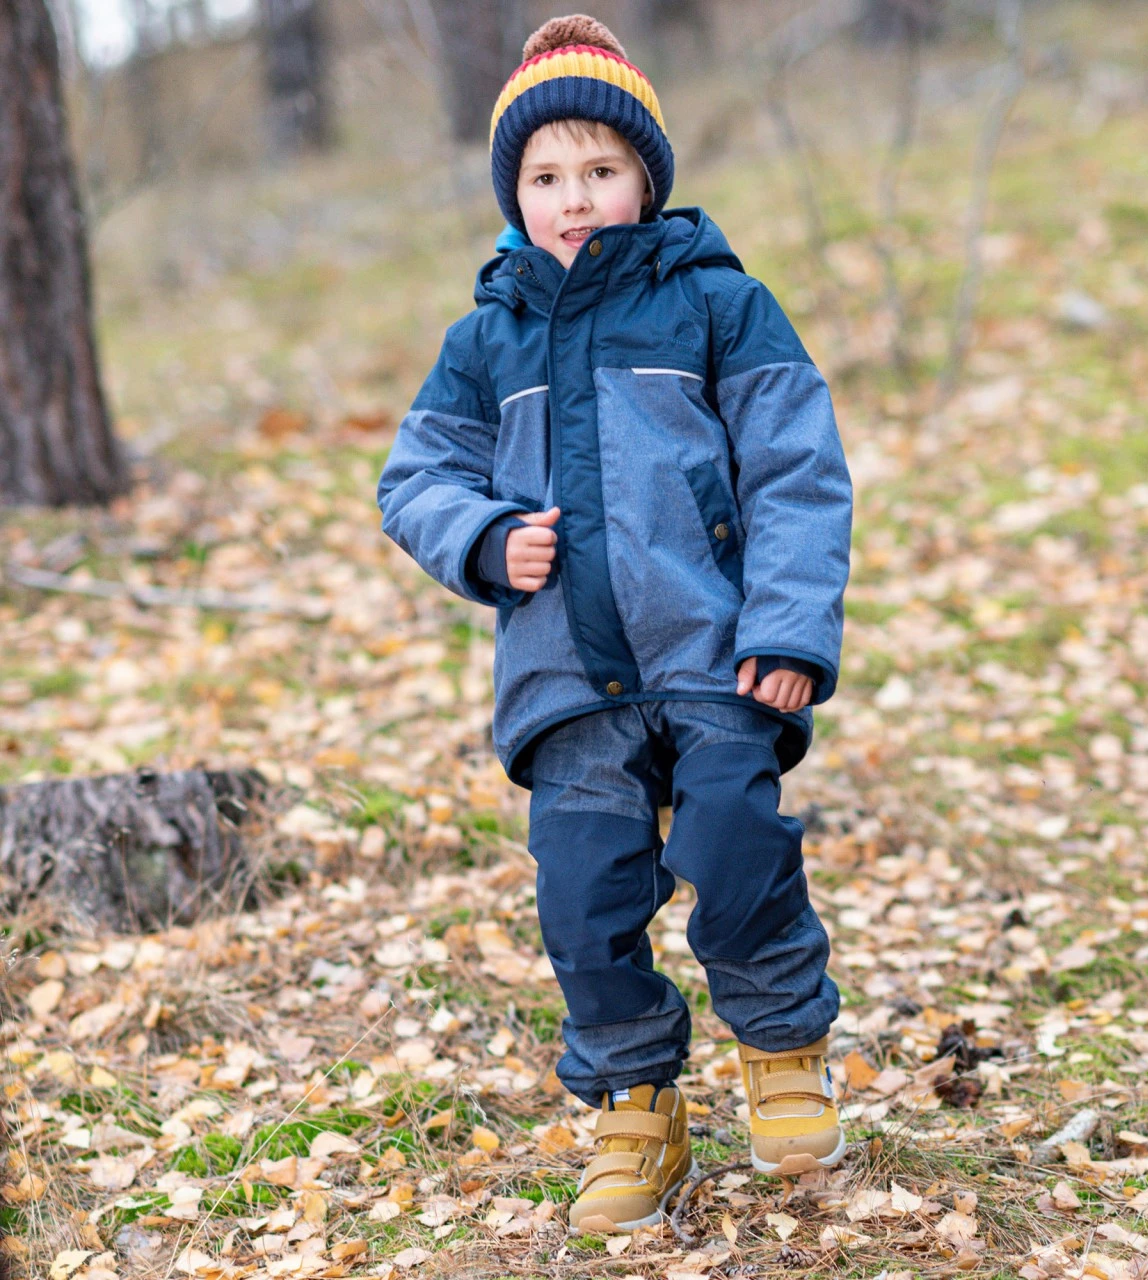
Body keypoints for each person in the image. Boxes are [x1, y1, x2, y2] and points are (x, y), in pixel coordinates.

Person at [377, 13, 853, 1235]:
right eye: (545, 177)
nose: (574, 197)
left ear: (647, 176)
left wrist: (788, 628)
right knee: (584, 904)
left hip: (713, 653)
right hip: (562, 677)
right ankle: (636, 1106)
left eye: (599, 169)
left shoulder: (719, 305)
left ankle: (782, 1048)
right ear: (514, 196)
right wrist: (484, 536)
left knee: (733, 845)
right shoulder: (486, 339)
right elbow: (414, 477)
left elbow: (795, 469)